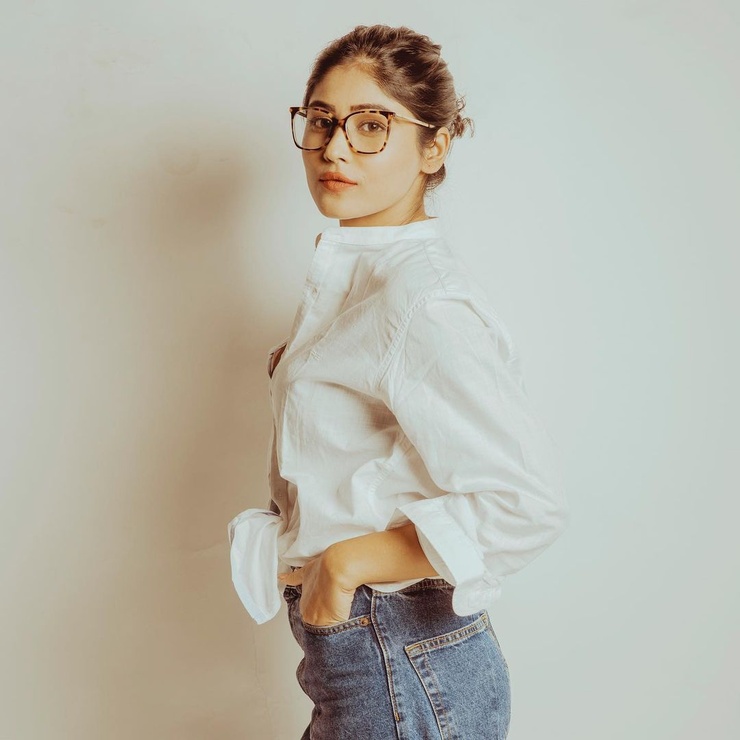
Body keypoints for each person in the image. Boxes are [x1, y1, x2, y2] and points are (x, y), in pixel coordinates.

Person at [228, 24, 569, 739]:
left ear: (434, 146)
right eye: (321, 120)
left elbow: (524, 503)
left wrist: (346, 564)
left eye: (371, 125)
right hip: (374, 654)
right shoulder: (360, 281)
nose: (334, 147)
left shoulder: (421, 302)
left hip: (395, 650)